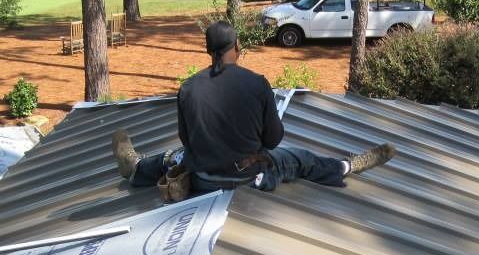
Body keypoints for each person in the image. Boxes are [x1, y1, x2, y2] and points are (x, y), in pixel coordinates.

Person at [112, 20, 395, 196]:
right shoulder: (257, 84)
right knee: (297, 158)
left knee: (174, 156)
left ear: (207, 50)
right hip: (248, 178)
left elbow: (188, 140)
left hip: (201, 179)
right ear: (237, 45)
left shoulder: (188, 88)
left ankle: (137, 170)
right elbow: (273, 140)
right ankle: (345, 167)